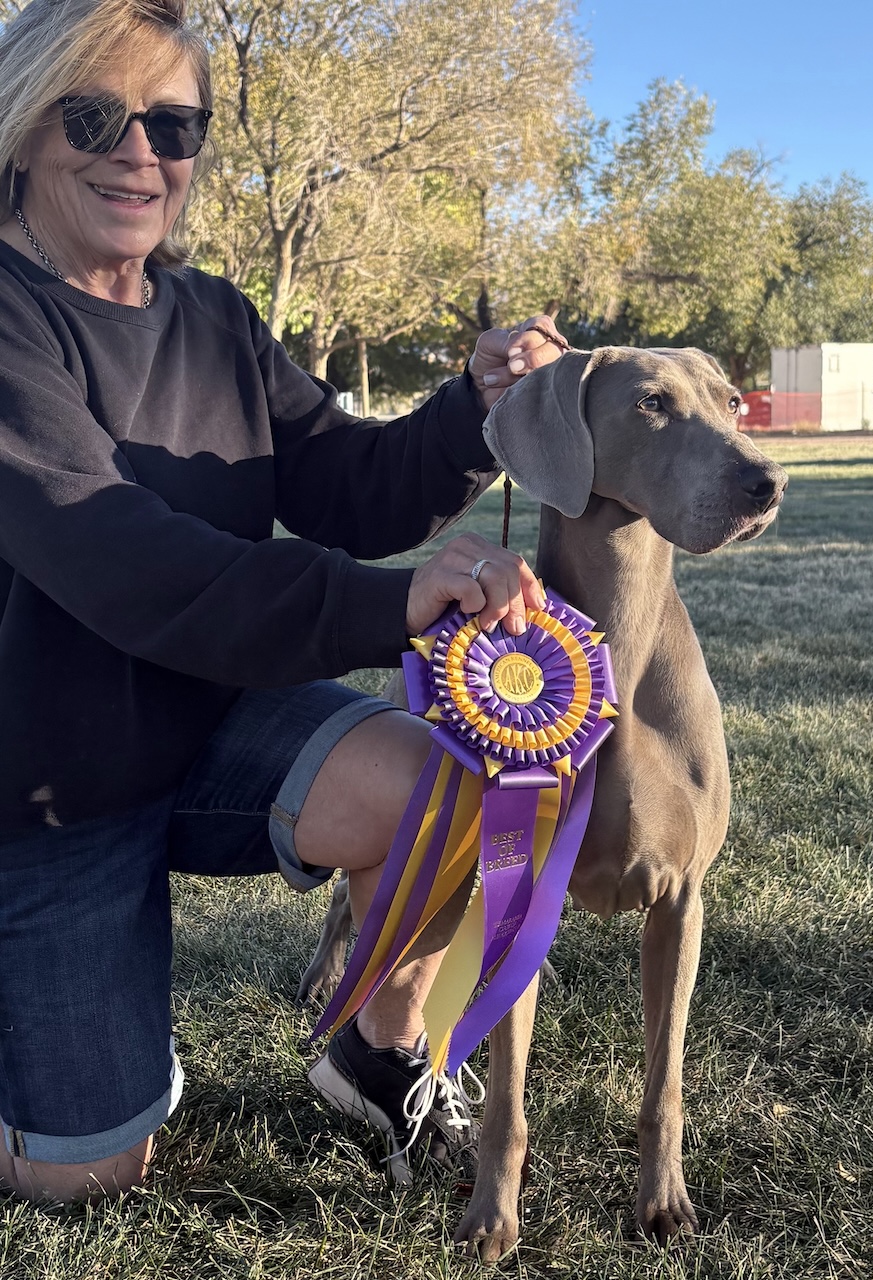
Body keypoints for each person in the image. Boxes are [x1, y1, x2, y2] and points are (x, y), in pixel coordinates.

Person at [0, 0, 567, 1204]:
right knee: (86, 1172)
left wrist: (471, 412)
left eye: (173, 125)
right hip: (41, 791)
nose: (139, 153)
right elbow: (130, 561)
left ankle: (378, 1049)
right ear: (25, 127)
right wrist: (396, 602)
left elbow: (348, 483)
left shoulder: (215, 317)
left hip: (210, 723)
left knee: (452, 781)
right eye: (94, 117)